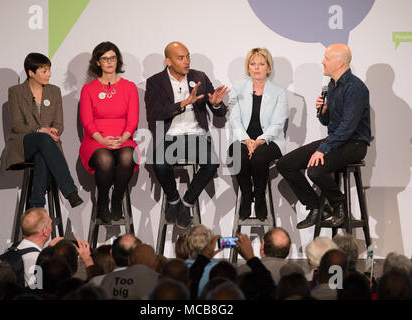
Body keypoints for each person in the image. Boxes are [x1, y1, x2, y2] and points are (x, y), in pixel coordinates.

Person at [276, 43, 371, 229]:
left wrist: (323, 149)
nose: (322, 62)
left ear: (340, 63)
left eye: (326, 59)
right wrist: (324, 111)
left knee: (315, 170)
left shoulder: (355, 88)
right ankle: (317, 208)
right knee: (285, 164)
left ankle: (339, 204)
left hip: (355, 144)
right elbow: (330, 123)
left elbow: (348, 128)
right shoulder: (332, 86)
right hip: (337, 140)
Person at [145, 41, 229, 229]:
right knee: (159, 163)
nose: (186, 61)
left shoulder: (199, 77)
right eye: (181, 58)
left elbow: (220, 113)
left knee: (212, 163)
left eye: (188, 56)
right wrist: (183, 104)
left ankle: (186, 204)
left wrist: (216, 104)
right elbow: (154, 115)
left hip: (196, 135)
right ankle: (174, 200)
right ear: (168, 61)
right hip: (169, 136)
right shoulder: (155, 82)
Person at [5, 52, 83, 209]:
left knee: (43, 153)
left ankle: (36, 205)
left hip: (47, 145)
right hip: (24, 143)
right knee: (42, 139)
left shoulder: (54, 91)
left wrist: (53, 131)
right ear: (31, 73)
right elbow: (17, 125)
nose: (49, 74)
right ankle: (70, 191)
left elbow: (59, 124)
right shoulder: (16, 92)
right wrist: (40, 129)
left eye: (49, 70)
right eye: (44, 71)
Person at [79, 42, 139, 223]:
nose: (109, 62)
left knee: (128, 156)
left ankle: (117, 199)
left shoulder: (129, 87)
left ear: (117, 60)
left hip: (123, 138)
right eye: (105, 59)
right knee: (105, 160)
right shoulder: (88, 89)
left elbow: (133, 119)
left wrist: (123, 138)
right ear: (98, 62)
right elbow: (87, 121)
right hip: (96, 140)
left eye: (112, 58)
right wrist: (103, 140)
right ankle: (103, 201)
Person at [228, 48, 288, 220]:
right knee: (238, 155)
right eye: (253, 64)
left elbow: (278, 123)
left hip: (270, 140)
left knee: (259, 157)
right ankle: (247, 196)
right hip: (242, 139)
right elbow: (234, 119)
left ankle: (260, 197)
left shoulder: (278, 92)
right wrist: (247, 140)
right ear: (248, 67)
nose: (256, 68)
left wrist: (260, 140)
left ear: (269, 68)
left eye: (261, 64)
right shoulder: (237, 89)